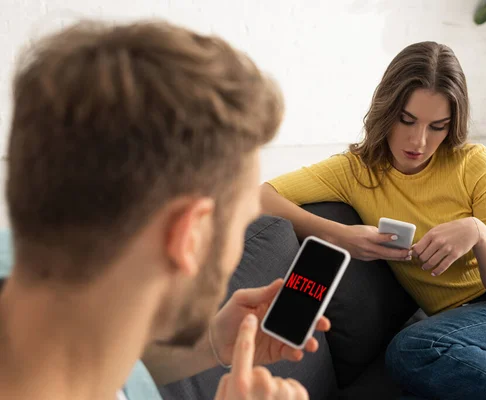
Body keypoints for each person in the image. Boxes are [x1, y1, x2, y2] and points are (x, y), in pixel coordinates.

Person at [0, 20, 331, 400]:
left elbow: (108, 364)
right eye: (243, 222)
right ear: (189, 236)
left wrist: (209, 346)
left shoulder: (26, 274)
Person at [260, 42, 486, 400]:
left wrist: (477, 233)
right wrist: (343, 237)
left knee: (411, 350)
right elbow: (259, 196)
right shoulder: (355, 171)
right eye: (407, 120)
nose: (418, 140)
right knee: (419, 370)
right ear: (387, 110)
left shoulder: (473, 164)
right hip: (464, 346)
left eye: (438, 127)